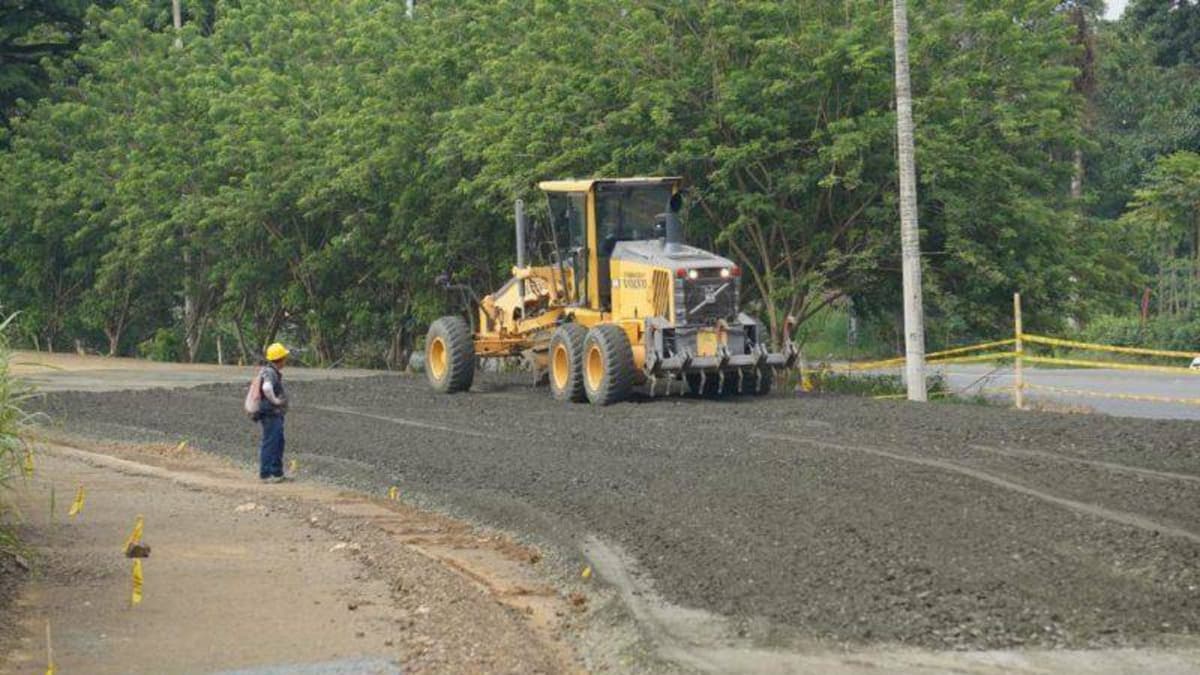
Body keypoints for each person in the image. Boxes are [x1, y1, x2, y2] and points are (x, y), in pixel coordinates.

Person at [258, 342, 290, 483]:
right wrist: (276, 401)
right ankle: (266, 474)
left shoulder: (269, 371)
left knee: (278, 442)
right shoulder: (270, 372)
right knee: (271, 442)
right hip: (270, 413)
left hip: (273, 413)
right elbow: (266, 388)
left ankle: (277, 473)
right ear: (281, 358)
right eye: (284, 357)